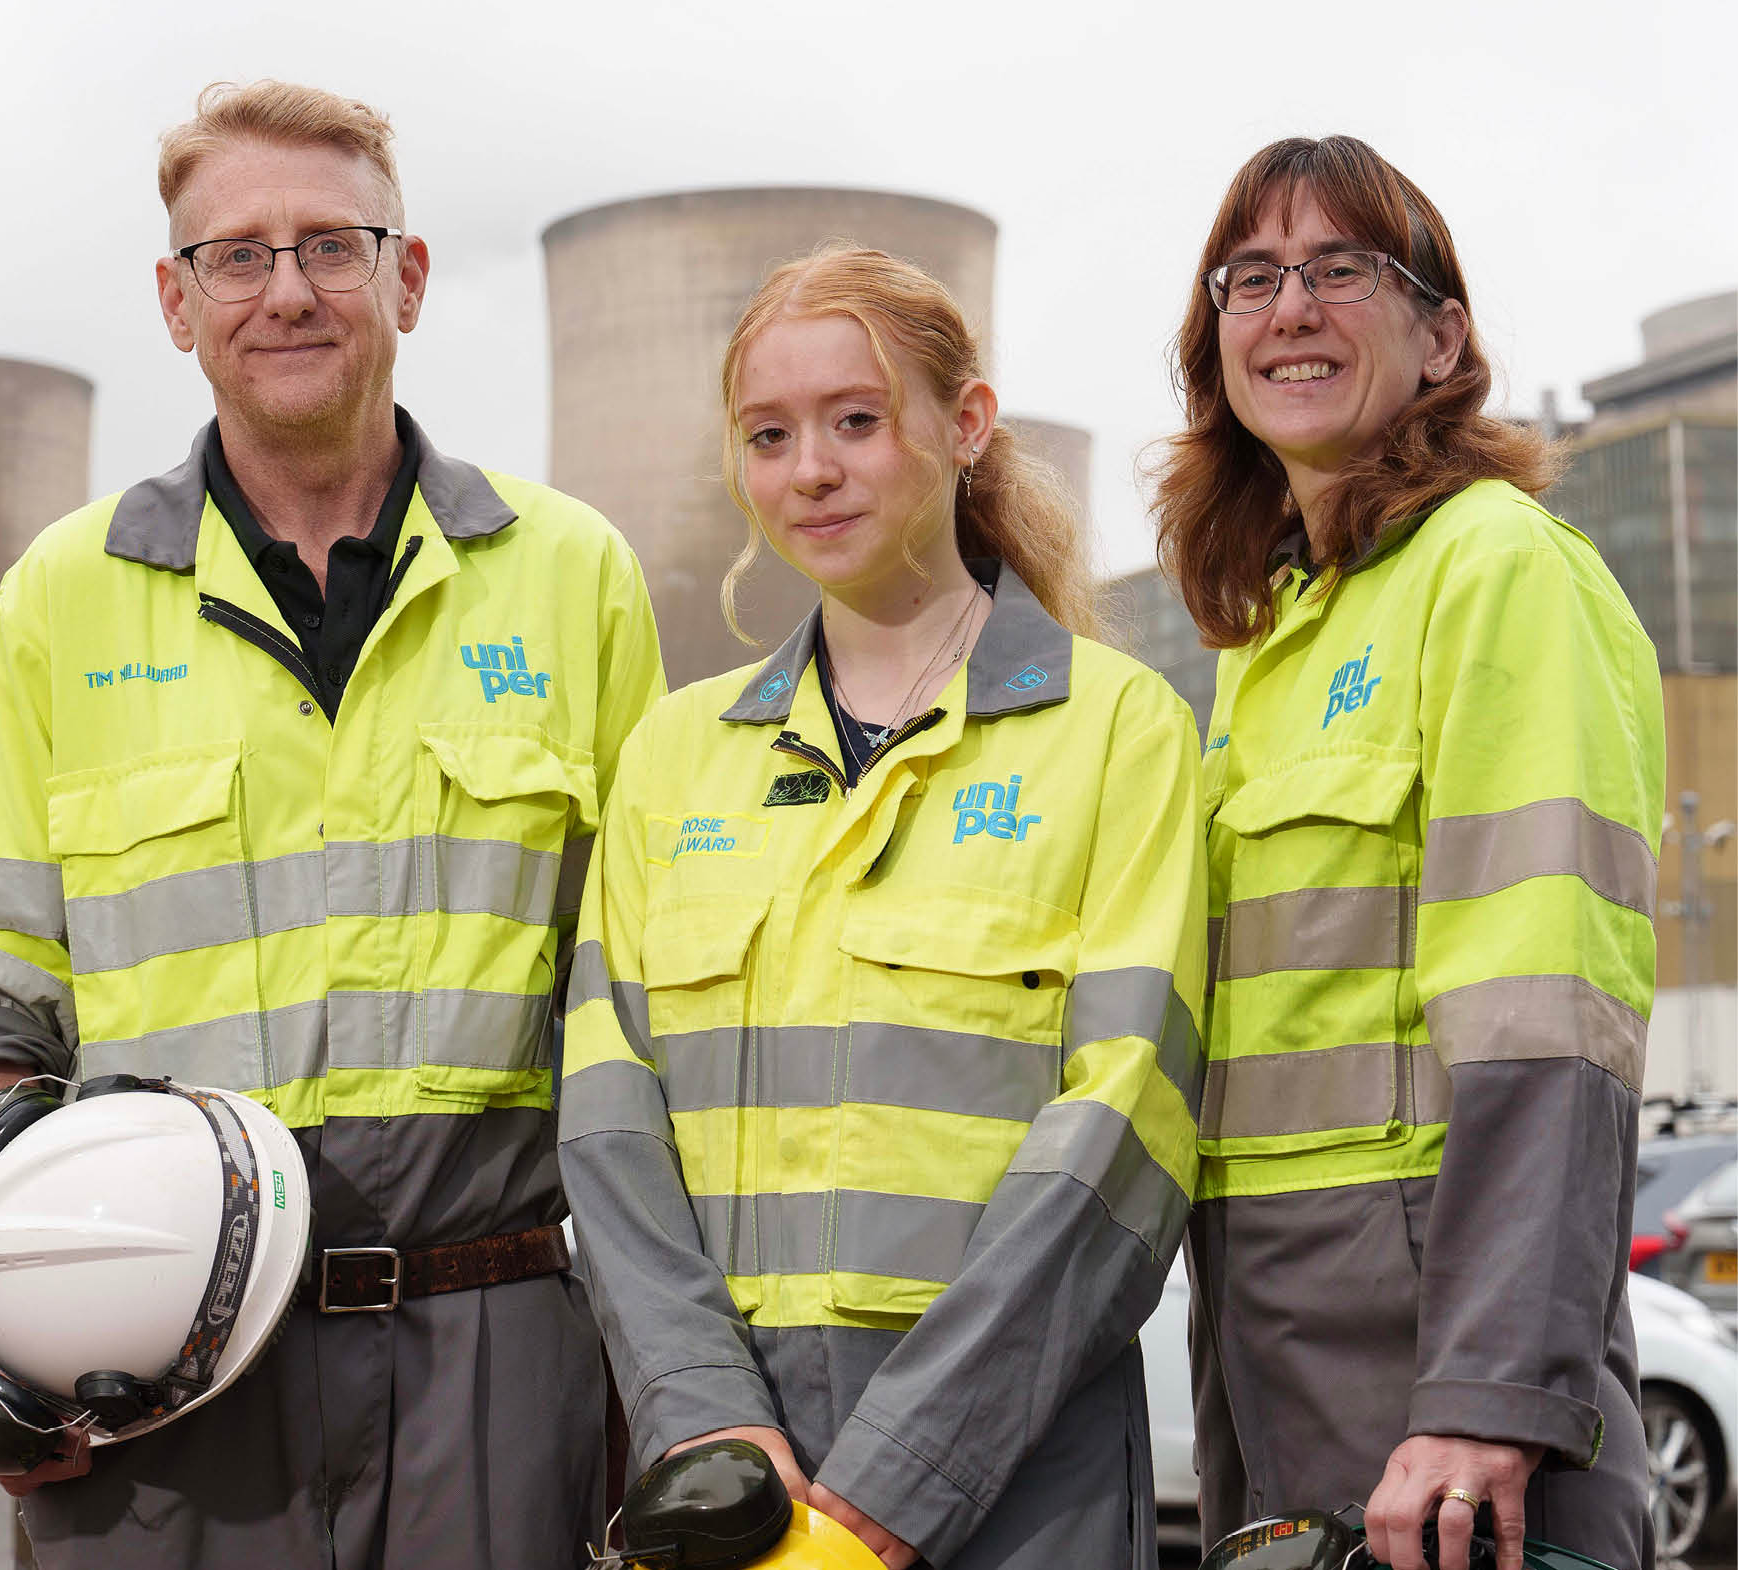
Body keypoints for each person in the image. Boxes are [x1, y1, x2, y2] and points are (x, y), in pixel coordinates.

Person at [0, 79, 665, 1569]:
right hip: (149, 1365)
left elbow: (646, 999)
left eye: (333, 245)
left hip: (486, 1357)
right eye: (236, 256)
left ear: (409, 277)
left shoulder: (575, 579)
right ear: (177, 304)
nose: (286, 290)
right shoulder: (65, 597)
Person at [559, 243, 1208, 1570]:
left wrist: (901, 1482)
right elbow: (609, 1124)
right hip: (733, 1480)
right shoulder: (673, 759)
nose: (813, 469)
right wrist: (703, 1424)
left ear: (966, 425)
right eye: (771, 434)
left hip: (1023, 1469)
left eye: (857, 420)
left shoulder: (1114, 731)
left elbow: (1127, 1118)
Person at [1157, 135, 1661, 1570]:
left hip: (1437, 1375)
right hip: (1274, 1330)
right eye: (1250, 277)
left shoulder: (1497, 565)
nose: (1289, 308)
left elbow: (1549, 1007)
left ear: (1442, 336)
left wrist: (1488, 1395)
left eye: (1340, 271)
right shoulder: (1273, 636)